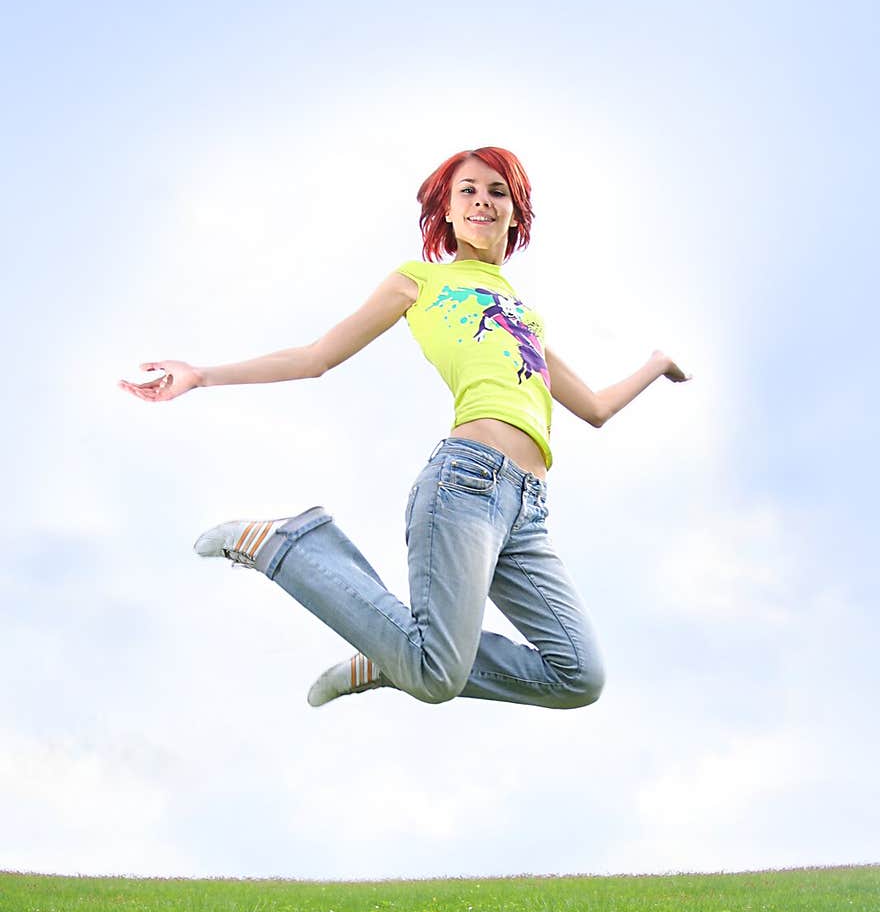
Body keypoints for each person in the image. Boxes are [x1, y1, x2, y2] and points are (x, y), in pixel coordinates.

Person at [119, 145, 691, 710]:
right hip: (467, 482)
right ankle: (287, 547)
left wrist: (655, 364)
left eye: (498, 192)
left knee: (579, 677)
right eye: (468, 191)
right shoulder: (419, 282)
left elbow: (592, 407)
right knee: (437, 679)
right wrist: (201, 374)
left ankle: (395, 652)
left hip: (529, 510)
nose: (482, 203)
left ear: (516, 211)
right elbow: (316, 356)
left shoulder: (524, 315)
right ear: (446, 208)